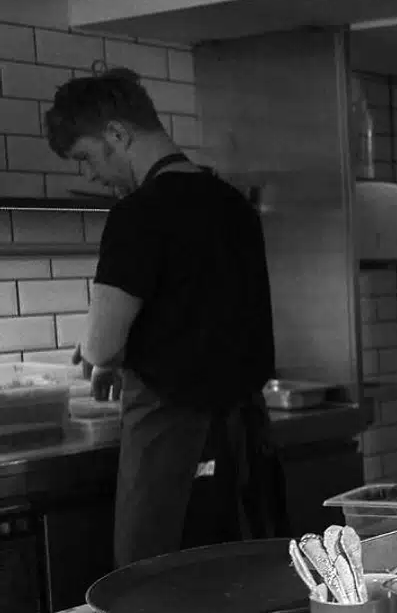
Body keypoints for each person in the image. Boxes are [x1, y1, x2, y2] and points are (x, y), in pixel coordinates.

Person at [45, 68, 288, 566]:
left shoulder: (139, 213)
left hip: (170, 439)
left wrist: (106, 351)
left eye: (87, 158)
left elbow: (100, 348)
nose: (90, 175)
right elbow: (202, 315)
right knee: (243, 576)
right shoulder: (231, 204)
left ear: (117, 133)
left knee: (154, 589)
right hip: (245, 433)